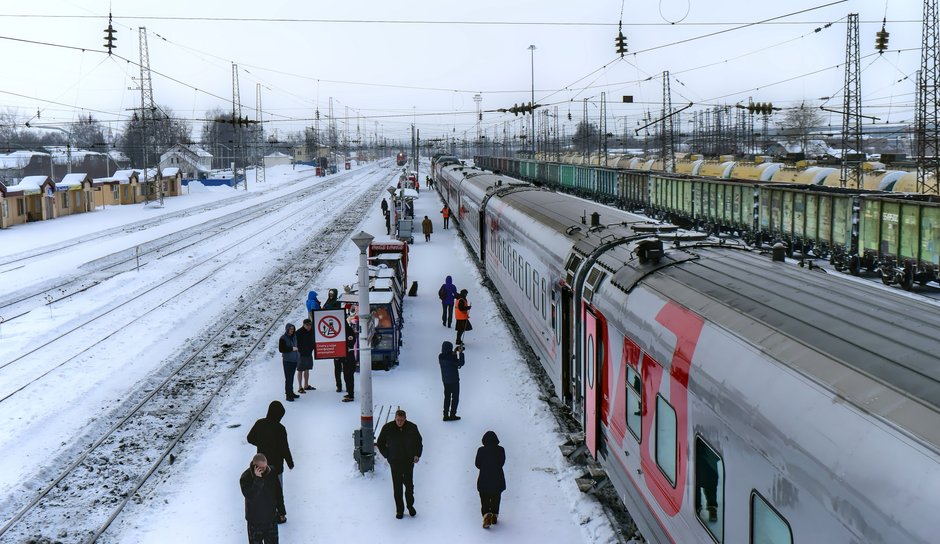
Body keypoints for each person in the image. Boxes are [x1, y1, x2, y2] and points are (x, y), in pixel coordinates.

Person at [247, 401, 295, 525]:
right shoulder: (280, 428)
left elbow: (250, 438)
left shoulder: (259, 423)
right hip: (277, 466)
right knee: (277, 491)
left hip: (262, 464)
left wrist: (262, 443)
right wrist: (290, 462)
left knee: (263, 488)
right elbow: (285, 448)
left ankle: (266, 512)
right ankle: (280, 514)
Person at [376, 409, 423, 519]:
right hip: (395, 461)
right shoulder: (388, 428)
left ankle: (410, 506)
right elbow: (380, 442)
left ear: (405, 419)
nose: (400, 422)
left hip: (408, 462)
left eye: (402, 420)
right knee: (397, 487)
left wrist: (417, 454)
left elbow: (418, 442)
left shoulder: (412, 427)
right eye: (398, 420)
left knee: (409, 486)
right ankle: (399, 510)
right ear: (395, 418)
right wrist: (387, 455)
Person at [240, 453, 280, 543]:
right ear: (255, 466)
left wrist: (281, 510)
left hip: (271, 519)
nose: (265, 469)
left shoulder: (272, 471)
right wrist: (258, 479)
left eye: (266, 466)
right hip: (255, 522)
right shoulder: (246, 477)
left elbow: (278, 492)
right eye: (262, 467)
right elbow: (250, 495)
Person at [475, 431, 506, 529]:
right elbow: (502, 462)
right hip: (498, 479)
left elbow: (477, 464)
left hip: (484, 478)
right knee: (496, 497)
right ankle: (494, 514)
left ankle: (486, 514)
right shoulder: (501, 450)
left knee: (484, 498)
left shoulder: (481, 450)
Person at [438, 341, 465, 421]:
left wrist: (454, 351)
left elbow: (450, 357)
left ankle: (445, 415)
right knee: (455, 398)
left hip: (445, 381)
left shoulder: (440, 356)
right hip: (454, 381)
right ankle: (452, 414)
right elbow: (461, 363)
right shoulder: (451, 358)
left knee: (447, 398)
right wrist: (460, 353)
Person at [278, 324, 300, 402]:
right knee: (288, 378)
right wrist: (291, 348)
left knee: (291, 378)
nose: (292, 330)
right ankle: (288, 395)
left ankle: (291, 392)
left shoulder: (294, 336)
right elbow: (281, 349)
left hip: (294, 360)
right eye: (290, 329)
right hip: (287, 361)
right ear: (287, 329)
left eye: (293, 329)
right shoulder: (283, 338)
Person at [294, 319, 316, 394]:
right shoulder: (298, 332)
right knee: (300, 370)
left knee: (307, 369)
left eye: (310, 325)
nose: (309, 326)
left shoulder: (312, 331)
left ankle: (306, 385)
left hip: (309, 353)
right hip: (301, 354)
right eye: (307, 325)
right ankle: (300, 387)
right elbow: (295, 342)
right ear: (304, 325)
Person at [342, 333, 357, 402]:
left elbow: (351, 343)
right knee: (346, 377)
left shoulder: (349, 332)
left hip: (349, 359)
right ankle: (349, 393)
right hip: (346, 359)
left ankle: (351, 395)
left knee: (349, 377)